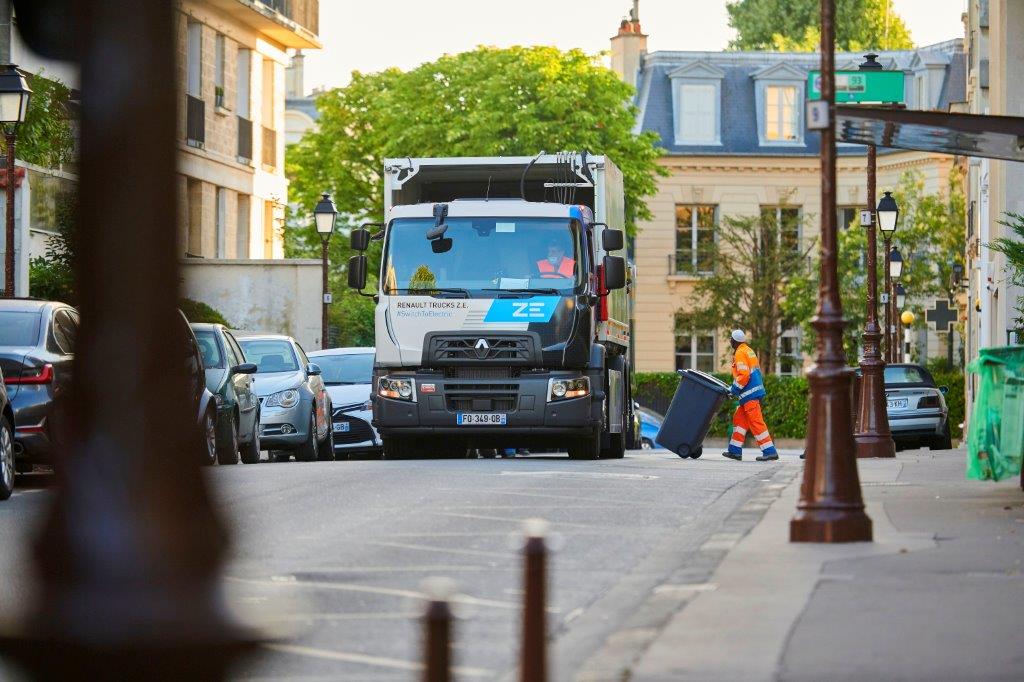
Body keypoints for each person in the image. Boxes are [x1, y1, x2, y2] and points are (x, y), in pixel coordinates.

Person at [722, 330, 779, 462]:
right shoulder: (748, 350)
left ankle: (770, 451)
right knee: (739, 421)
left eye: (731, 339)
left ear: (735, 341)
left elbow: (744, 374)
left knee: (756, 422)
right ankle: (734, 451)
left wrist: (734, 389)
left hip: (749, 394)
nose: (730, 341)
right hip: (751, 393)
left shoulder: (740, 353)